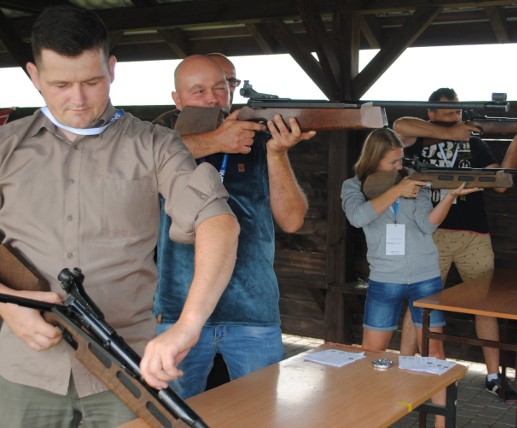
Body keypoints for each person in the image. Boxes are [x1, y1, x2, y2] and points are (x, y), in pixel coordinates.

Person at [0, 6, 239, 427]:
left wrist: (189, 325)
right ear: (34, 76)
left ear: (111, 69)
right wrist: (6, 305)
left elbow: (218, 222)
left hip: (125, 367)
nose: (78, 99)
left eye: (92, 81)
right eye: (60, 84)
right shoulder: (6, 147)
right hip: (24, 371)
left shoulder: (156, 145)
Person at [153, 54, 315, 398]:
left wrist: (277, 154)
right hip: (177, 311)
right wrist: (215, 142)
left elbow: (292, 219)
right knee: (174, 416)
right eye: (198, 91)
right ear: (177, 100)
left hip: (252, 311)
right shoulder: (161, 140)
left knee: (258, 416)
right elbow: (137, 167)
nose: (212, 98)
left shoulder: (257, 138)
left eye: (220, 87)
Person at [393, 87, 517, 403]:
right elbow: (399, 126)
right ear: (432, 114)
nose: (456, 116)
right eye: (450, 111)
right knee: (418, 305)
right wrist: (447, 131)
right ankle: (405, 371)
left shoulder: (474, 144)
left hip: (473, 235)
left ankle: (493, 377)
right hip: (429, 234)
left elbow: (501, 182)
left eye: (459, 112)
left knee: (484, 304)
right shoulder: (417, 139)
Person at [341, 127, 480, 428]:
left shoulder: (412, 183)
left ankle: (442, 425)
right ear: (375, 159)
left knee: (435, 352)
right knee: (370, 354)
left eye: (401, 160)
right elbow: (357, 217)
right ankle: (367, 419)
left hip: (425, 277)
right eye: (393, 162)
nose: (399, 167)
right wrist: (397, 190)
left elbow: (427, 225)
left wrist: (450, 197)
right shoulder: (353, 186)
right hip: (384, 279)